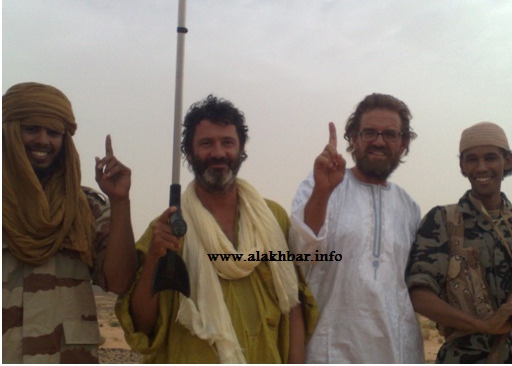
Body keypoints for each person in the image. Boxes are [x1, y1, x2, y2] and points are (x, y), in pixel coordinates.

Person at [116, 95, 317, 363]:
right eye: (206, 143)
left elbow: (292, 305)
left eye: (227, 143)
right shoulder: (168, 228)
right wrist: (154, 258)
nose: (218, 153)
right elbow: (143, 326)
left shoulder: (272, 218)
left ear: (241, 149)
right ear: (189, 153)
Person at [2, 82, 137, 363]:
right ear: (9, 132)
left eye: (54, 133)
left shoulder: (86, 208)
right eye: (31, 129)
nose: (43, 140)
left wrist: (120, 202)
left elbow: (119, 282)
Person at [289, 93, 425, 363]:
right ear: (353, 138)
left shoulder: (409, 206)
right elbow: (302, 252)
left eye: (390, 134)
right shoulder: (320, 184)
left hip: (398, 352)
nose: (379, 141)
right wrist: (322, 192)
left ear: (403, 144)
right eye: (369, 132)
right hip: (330, 352)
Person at [406, 121, 512, 363]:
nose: (481, 167)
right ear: (462, 166)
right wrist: (484, 325)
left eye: (490, 158)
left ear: (507, 161)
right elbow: (419, 294)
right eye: (472, 159)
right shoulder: (443, 220)